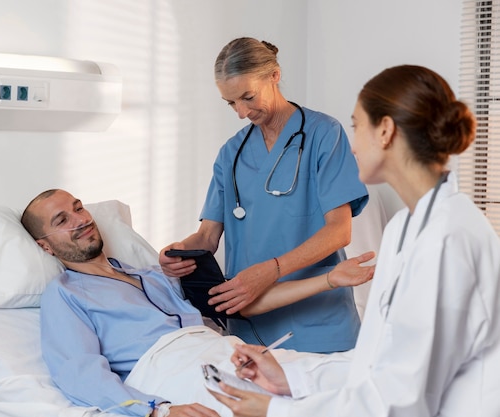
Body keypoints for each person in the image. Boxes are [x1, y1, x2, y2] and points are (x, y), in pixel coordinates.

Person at [208, 65, 500, 417]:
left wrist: (275, 411)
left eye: (356, 125)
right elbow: (379, 364)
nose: (352, 142)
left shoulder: (447, 239)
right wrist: (293, 379)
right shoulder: (405, 228)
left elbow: (400, 401)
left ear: (386, 131)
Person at [20, 189, 375, 417]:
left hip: (226, 351)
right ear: (45, 246)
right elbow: (79, 373)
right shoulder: (65, 295)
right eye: (62, 220)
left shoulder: (154, 274)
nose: (80, 219)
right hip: (168, 372)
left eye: (78, 208)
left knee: (356, 373)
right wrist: (155, 410)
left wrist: (330, 278)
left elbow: (238, 303)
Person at [159, 37, 369, 352]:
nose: (241, 112)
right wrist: (179, 252)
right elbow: (206, 237)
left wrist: (272, 270)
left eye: (248, 97)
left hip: (318, 319)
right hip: (250, 321)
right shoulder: (231, 154)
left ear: (274, 75)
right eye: (230, 103)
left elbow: (339, 230)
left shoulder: (324, 135)